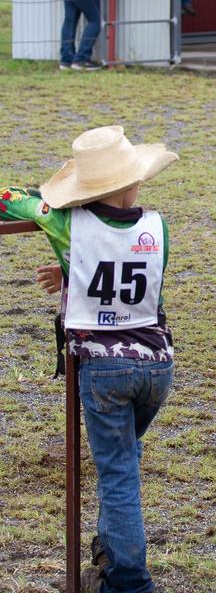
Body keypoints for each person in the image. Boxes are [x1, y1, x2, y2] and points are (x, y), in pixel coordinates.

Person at [0, 124, 179, 593]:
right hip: (157, 364)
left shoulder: (65, 225)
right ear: (135, 180)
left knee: (118, 470)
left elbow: (10, 197)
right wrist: (69, 273)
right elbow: (123, 273)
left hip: (102, 368)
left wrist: (52, 205)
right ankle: (111, 548)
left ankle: (128, 580)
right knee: (125, 456)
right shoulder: (156, 227)